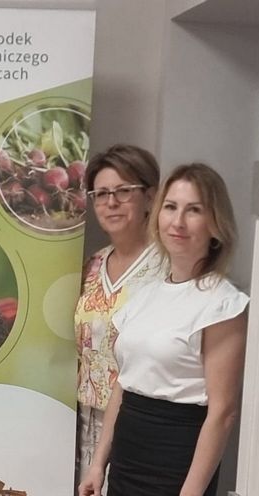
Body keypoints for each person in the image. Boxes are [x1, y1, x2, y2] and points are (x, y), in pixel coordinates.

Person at [79, 163, 249, 496]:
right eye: (170, 207)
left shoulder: (223, 304)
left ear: (215, 224)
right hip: (127, 457)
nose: (178, 221)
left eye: (194, 210)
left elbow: (223, 413)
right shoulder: (146, 295)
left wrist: (190, 493)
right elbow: (124, 384)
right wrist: (98, 464)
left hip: (176, 461)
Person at [74, 144, 162, 481]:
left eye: (123, 191)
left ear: (149, 197)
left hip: (138, 425)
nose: (111, 202)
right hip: (81, 424)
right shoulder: (90, 266)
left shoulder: (167, 269)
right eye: (101, 194)